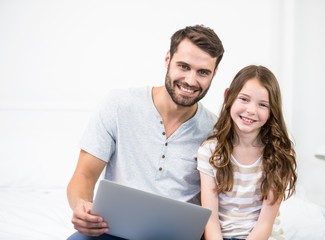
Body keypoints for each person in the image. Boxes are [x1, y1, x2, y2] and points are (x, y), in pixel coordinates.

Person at [66, 24, 224, 240]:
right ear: (168, 59)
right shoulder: (119, 105)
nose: (190, 80)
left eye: (203, 72)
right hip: (113, 230)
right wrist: (82, 207)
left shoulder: (216, 131)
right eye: (183, 66)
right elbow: (84, 174)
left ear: (214, 74)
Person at [197, 65, 297, 240]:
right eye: (244, 99)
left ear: (272, 110)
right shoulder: (210, 152)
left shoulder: (277, 155)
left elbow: (265, 224)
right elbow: (210, 220)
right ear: (229, 97)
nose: (251, 110)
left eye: (263, 105)